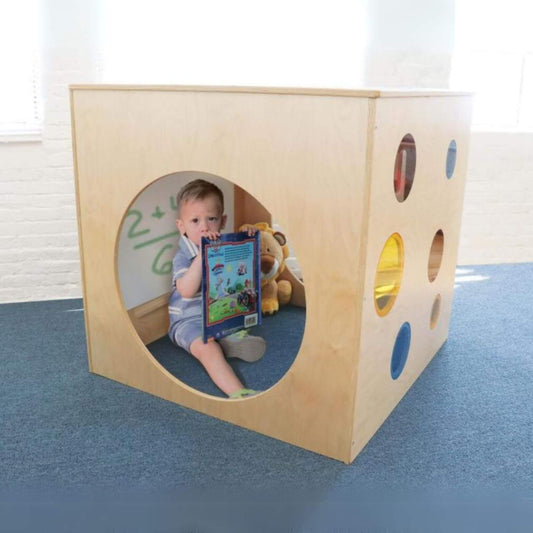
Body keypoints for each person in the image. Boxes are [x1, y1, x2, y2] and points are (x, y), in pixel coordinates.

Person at [168, 179, 265, 399]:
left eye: (211, 219)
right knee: (208, 349)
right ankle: (239, 392)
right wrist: (202, 256)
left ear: (222, 221)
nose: (204, 226)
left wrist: (247, 237)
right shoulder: (184, 256)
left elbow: (242, 270)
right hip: (187, 321)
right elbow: (186, 290)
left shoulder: (223, 244)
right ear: (181, 226)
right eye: (195, 220)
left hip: (216, 315)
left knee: (236, 320)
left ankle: (229, 339)